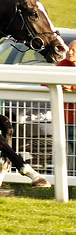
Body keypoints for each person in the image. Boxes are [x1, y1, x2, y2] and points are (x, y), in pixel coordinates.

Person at [56, 40, 76, 173]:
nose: (69, 52)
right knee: (67, 159)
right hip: (67, 122)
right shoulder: (64, 65)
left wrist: (73, 87)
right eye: (69, 49)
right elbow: (45, 81)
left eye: (73, 50)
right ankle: (67, 189)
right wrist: (59, 85)